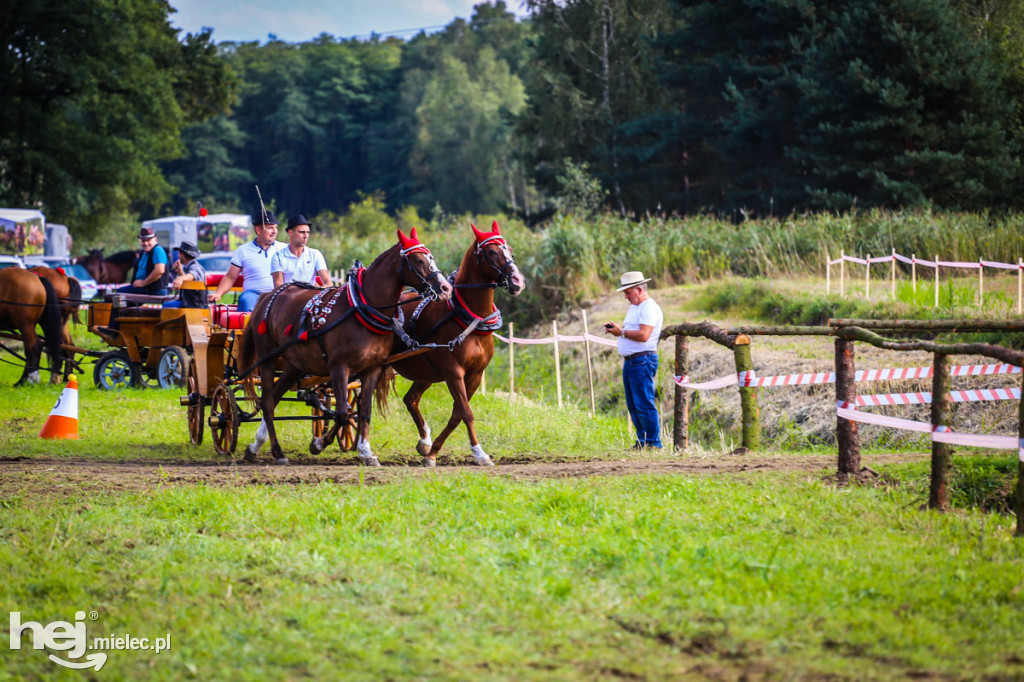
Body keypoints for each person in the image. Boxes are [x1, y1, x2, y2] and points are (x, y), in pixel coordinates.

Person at [604, 271, 664, 449]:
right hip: (633, 361)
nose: (626, 296)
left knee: (644, 402)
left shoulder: (649, 308)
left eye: (628, 292)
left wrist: (621, 332)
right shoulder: (636, 308)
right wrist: (619, 330)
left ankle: (653, 442)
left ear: (639, 289)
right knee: (634, 404)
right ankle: (643, 440)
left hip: (642, 360)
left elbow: (644, 335)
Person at [208, 210, 287, 312]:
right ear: (258, 230)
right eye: (270, 228)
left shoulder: (284, 249)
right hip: (254, 296)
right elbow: (230, 277)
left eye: (275, 227)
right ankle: (247, 327)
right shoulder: (243, 251)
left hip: (279, 295)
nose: (274, 231)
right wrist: (218, 293)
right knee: (245, 299)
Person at [271, 214, 333, 287]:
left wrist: (319, 292)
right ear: (290, 232)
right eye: (301, 232)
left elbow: (328, 282)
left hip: (311, 296)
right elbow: (278, 285)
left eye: (308, 232)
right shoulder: (278, 257)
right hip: (289, 296)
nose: (306, 236)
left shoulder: (315, 254)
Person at [118, 227, 169, 296]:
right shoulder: (143, 253)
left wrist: (143, 283)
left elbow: (159, 270)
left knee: (119, 293)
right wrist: (132, 284)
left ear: (155, 239)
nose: (145, 243)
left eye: (148, 240)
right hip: (145, 288)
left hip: (155, 289)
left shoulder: (158, 250)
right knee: (120, 296)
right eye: (143, 241)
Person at [163, 241, 208, 309]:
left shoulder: (195, 267)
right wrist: (180, 272)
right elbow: (190, 282)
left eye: (179, 253)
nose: (178, 256)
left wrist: (180, 279)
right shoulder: (189, 267)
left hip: (194, 305)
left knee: (167, 306)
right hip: (191, 303)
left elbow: (192, 275)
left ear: (183, 254)